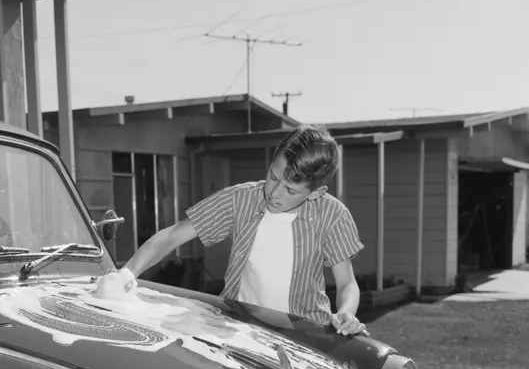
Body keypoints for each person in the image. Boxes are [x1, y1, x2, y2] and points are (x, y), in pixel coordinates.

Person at [97, 125, 367, 336]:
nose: (273, 193)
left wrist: (346, 312)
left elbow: (346, 283)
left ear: (316, 193)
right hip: (240, 330)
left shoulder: (333, 215)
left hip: (305, 336)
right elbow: (171, 236)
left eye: (290, 190)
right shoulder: (240, 200)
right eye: (273, 176)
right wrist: (125, 275)